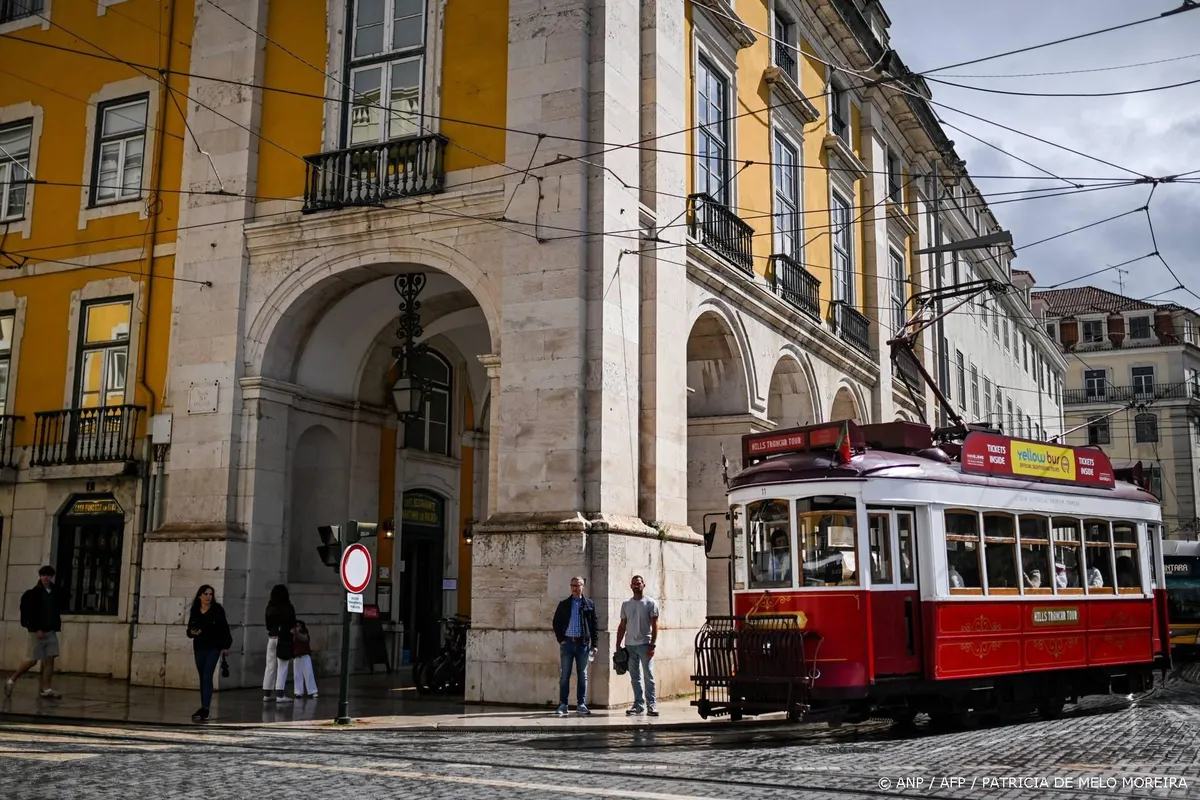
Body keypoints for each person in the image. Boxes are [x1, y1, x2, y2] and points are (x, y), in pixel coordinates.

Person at [5, 566, 66, 699]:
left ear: (52, 577)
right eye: (43, 575)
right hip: (37, 631)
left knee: (50, 659)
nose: (45, 578)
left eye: (48, 575)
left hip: (51, 631)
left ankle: (46, 688)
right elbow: (27, 613)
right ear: (40, 576)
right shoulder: (33, 593)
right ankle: (11, 680)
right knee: (33, 660)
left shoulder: (54, 592)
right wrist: (35, 628)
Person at [551, 576, 597, 716]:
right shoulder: (564, 604)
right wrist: (561, 639)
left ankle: (581, 704)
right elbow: (556, 623)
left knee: (582, 675)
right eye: (573, 586)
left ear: (583, 587)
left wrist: (594, 645)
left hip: (582, 644)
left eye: (578, 585)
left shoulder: (589, 604)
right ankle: (563, 704)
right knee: (565, 675)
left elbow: (594, 625)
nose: (575, 588)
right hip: (567, 644)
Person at [185, 584, 232, 721]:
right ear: (200, 596)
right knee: (202, 677)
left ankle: (206, 708)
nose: (208, 597)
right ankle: (203, 706)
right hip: (199, 647)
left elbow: (224, 628)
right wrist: (192, 632)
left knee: (207, 675)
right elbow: (189, 629)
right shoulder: (195, 610)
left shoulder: (217, 610)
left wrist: (226, 645)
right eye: (205, 594)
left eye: (210, 594)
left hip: (214, 646)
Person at [615, 575, 660, 716]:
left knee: (649, 675)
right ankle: (638, 704)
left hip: (645, 644)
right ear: (631, 586)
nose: (636, 585)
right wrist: (618, 644)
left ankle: (651, 705)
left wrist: (653, 644)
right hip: (630, 645)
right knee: (635, 677)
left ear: (643, 585)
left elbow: (655, 624)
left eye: (638, 583)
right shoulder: (626, 604)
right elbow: (622, 625)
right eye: (634, 584)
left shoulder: (650, 603)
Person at [263, 584, 296, 703]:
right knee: (282, 666)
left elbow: (267, 625)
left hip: (272, 637)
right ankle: (280, 694)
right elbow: (292, 622)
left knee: (270, 665)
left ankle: (267, 693)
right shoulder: (288, 607)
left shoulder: (269, 607)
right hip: (284, 638)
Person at [291, 620, 319, 699]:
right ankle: (298, 692)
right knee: (297, 675)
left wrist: (295, 633)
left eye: (298, 626)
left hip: (305, 656)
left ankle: (313, 691)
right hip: (296, 656)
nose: (296, 628)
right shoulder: (292, 635)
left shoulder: (304, 634)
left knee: (308, 673)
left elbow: (303, 638)